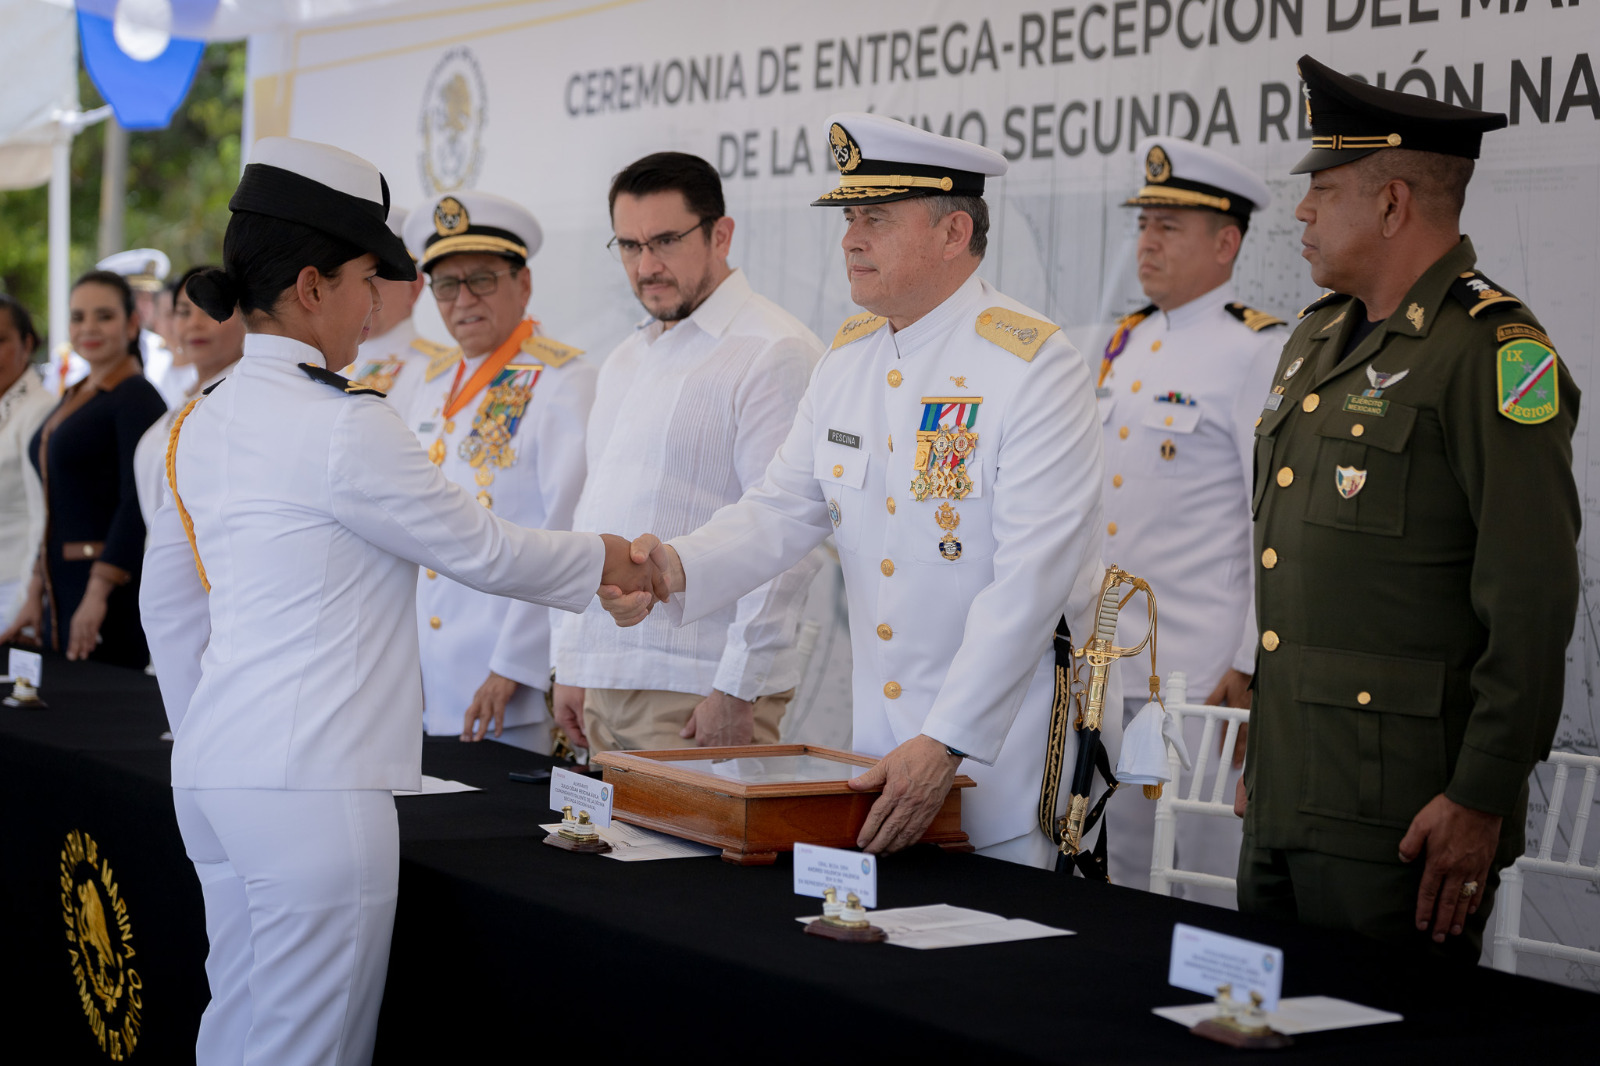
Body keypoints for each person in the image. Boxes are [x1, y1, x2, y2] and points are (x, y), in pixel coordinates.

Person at [138, 136, 654, 1066]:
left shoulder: (200, 419)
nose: (376, 305)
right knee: (308, 1051)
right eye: (364, 281)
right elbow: (483, 548)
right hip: (312, 788)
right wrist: (614, 559)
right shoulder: (341, 423)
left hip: (213, 775)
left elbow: (166, 611)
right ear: (311, 287)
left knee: (236, 1025)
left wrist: (215, 733)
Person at [609, 114, 1109, 869]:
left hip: (998, 762)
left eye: (875, 219)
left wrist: (948, 739)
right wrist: (670, 567)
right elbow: (780, 509)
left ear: (953, 232)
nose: (850, 239)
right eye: (848, 218)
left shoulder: (1032, 365)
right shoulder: (847, 360)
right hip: (876, 756)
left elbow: (1031, 583)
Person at [1238, 56, 1580, 960]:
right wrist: (1272, 754)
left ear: (1392, 205)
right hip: (1289, 789)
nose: (1302, 211)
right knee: (1253, 1016)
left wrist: (1480, 797)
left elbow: (1533, 600)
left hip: (1400, 812)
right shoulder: (1315, 337)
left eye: (1325, 190)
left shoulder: (1492, 352)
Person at [547, 152, 824, 755]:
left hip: (699, 688)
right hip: (603, 678)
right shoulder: (627, 356)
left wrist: (738, 687)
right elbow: (595, 514)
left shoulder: (774, 349)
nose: (646, 265)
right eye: (629, 245)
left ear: (720, 234)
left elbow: (790, 536)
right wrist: (571, 658)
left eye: (666, 241)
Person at [1098, 137, 1286, 903]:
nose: (1147, 241)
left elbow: (1271, 520)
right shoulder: (1127, 339)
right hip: (1113, 666)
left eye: (1169, 227)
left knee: (1203, 878)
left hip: (1202, 676)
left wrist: (1250, 660)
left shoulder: (1256, 350)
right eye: (1144, 223)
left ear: (1226, 243)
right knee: (1123, 870)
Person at [399, 191, 597, 751]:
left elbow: (565, 532)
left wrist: (514, 665)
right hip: (426, 680)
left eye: (482, 280)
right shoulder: (431, 382)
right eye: (446, 284)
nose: (463, 300)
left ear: (523, 283)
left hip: (506, 690)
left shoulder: (563, 382)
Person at [1, 271, 166, 666]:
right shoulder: (79, 392)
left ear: (131, 324)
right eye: (78, 317)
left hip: (107, 592)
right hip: (62, 585)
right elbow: (54, 504)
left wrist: (98, 590)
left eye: (103, 316)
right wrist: (37, 587)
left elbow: (135, 504)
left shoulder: (136, 396)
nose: (88, 328)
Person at [132, 266, 247, 527]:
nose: (195, 323)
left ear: (245, 316)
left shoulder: (245, 397)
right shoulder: (185, 395)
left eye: (209, 309)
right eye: (184, 312)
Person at [342, 207, 432, 420]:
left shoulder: (432, 372)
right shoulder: (327, 361)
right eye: (356, 280)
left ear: (415, 288)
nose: (364, 295)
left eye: (373, 279)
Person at [0, 295, 54, 619]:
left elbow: (42, 514)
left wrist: (28, 595)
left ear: (27, 343)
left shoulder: (40, 409)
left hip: (13, 586)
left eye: (0, 340)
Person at [98, 248, 194, 408]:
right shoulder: (80, 356)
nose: (145, 305)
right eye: (137, 296)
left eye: (149, 297)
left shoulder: (166, 348)